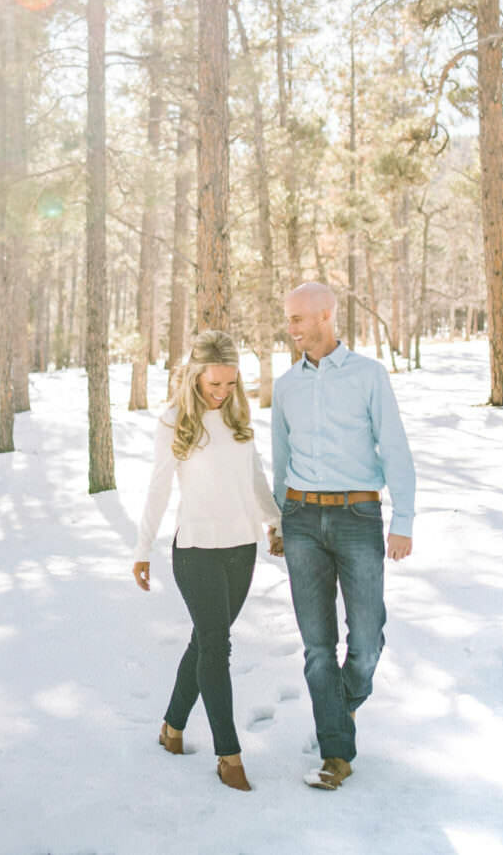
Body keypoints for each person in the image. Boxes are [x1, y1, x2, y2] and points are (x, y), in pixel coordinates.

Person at [271, 281, 415, 790]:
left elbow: (394, 447)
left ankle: (339, 707)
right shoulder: (285, 384)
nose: (290, 329)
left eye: (297, 319)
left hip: (358, 515)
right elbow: (280, 456)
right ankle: (336, 754)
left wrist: (404, 520)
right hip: (302, 519)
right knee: (316, 647)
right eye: (288, 319)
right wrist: (278, 517)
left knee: (368, 639)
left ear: (326, 316)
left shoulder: (369, 376)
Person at [132, 330, 282, 792]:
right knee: (217, 647)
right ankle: (229, 755)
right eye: (214, 384)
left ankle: (172, 727)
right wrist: (142, 549)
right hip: (195, 549)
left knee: (205, 642)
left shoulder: (239, 414)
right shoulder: (175, 420)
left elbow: (253, 474)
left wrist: (273, 520)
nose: (222, 393)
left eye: (230, 383)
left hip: (241, 548)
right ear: (195, 377)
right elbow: (159, 486)